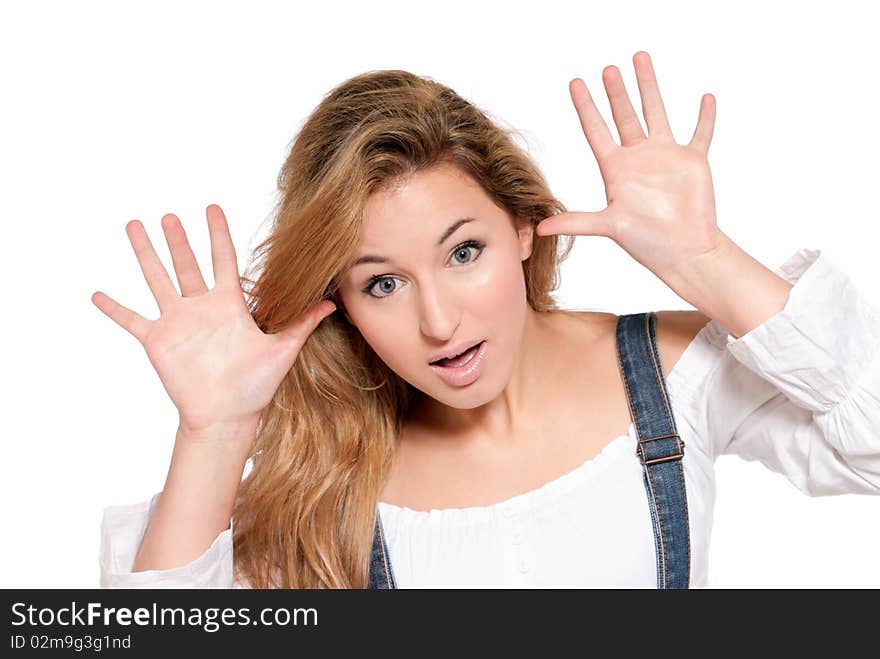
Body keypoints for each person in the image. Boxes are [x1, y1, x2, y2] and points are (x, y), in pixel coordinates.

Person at [93, 51, 880, 589]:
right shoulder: (330, 477)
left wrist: (707, 260)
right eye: (383, 284)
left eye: (464, 251)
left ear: (526, 226)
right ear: (341, 305)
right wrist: (215, 431)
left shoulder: (667, 373)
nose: (439, 321)